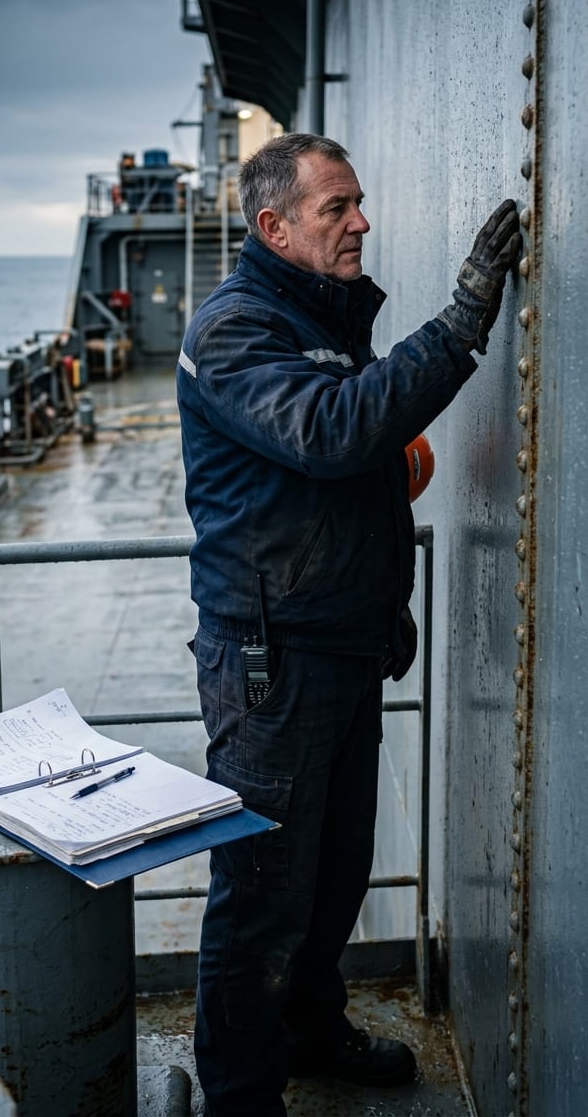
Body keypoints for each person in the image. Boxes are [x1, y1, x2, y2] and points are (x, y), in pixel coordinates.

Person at [176, 133, 520, 1117]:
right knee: (262, 892)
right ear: (274, 225)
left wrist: (381, 601)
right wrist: (461, 322)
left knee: (332, 876)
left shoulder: (316, 316)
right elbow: (332, 432)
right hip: (271, 663)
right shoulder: (235, 329)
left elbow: (352, 469)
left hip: (336, 643)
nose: (361, 222)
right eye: (337, 208)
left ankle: (309, 1030)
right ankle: (242, 1095)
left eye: (358, 201)